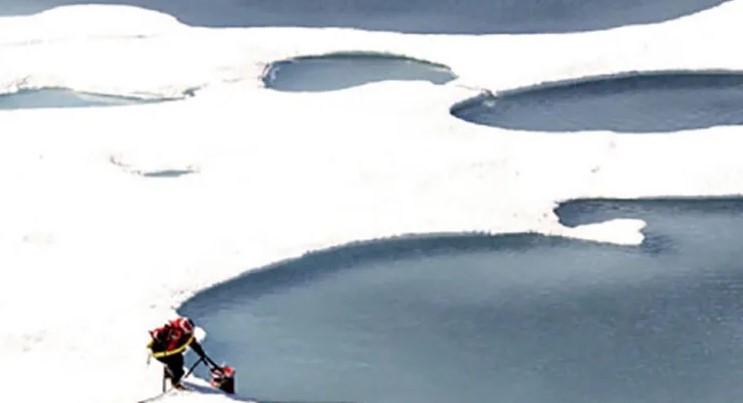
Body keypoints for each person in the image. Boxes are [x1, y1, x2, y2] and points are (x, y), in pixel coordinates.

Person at [147, 316, 207, 390]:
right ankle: (175, 382)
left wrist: (201, 353)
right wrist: (159, 336)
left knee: (178, 362)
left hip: (172, 353)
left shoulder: (185, 335)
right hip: (161, 353)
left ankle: (170, 372)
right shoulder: (170, 330)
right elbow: (156, 332)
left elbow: (193, 343)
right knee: (178, 370)